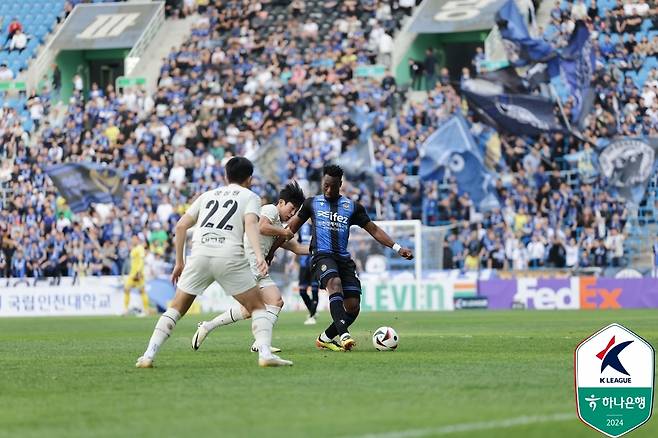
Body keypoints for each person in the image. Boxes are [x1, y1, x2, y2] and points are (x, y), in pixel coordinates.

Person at [135, 157, 292, 368]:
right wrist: (258, 256)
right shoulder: (250, 196)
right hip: (229, 255)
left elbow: (181, 226)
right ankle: (265, 354)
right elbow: (251, 225)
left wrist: (179, 263)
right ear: (249, 179)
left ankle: (148, 355)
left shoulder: (207, 195)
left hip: (199, 254)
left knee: (175, 309)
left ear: (226, 176)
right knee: (257, 307)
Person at [267, 165, 413, 351]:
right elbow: (289, 230)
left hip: (343, 259)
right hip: (321, 256)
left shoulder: (352, 207)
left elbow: (374, 229)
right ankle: (344, 335)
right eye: (325, 185)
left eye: (332, 186)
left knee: (353, 307)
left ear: (340, 185)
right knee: (334, 284)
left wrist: (397, 248)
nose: (328, 190)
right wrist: (271, 252)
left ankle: (325, 337)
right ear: (322, 182)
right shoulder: (312, 203)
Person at [192, 181, 308, 352]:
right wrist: (284, 232)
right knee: (263, 305)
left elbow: (297, 248)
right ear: (281, 202)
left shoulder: (278, 227)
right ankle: (259, 343)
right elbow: (261, 227)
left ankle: (208, 326)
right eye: (291, 208)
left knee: (267, 304)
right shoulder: (270, 210)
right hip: (247, 265)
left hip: (257, 269)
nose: (293, 213)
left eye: (296, 211)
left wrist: (321, 249)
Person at [297, 222, 319, 325]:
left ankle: (312, 316)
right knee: (302, 291)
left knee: (314, 290)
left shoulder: (318, 226)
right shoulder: (302, 227)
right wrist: (294, 261)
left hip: (315, 263)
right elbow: (298, 244)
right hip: (303, 264)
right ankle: (312, 311)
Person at [124, 235, 150, 316]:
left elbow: (141, 261)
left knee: (142, 291)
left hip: (138, 273)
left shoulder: (140, 248)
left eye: (134, 239)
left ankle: (146, 310)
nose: (133, 240)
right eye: (132, 239)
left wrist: (138, 272)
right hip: (132, 273)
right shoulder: (134, 249)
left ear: (138, 239)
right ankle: (125, 309)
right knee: (126, 289)